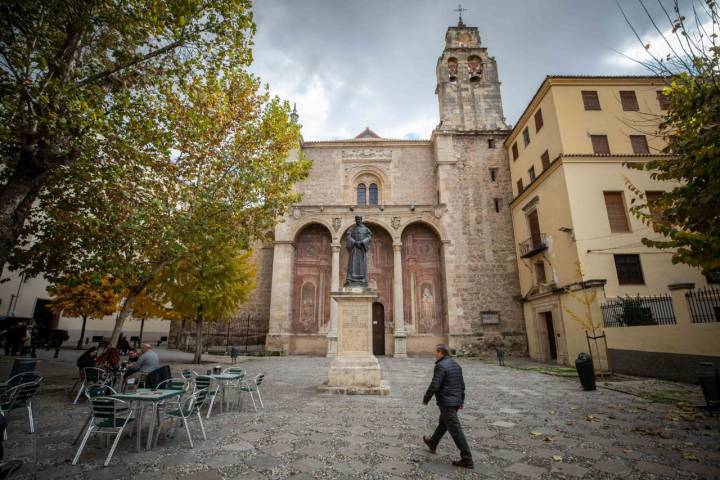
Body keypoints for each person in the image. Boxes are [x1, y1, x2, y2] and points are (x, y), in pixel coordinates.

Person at [422, 344, 473, 469]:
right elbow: (462, 384)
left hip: (447, 402)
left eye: (436, 352)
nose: (435, 354)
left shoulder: (440, 366)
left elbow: (435, 384)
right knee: (443, 423)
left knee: (455, 430)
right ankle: (433, 442)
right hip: (455, 401)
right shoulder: (456, 365)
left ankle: (467, 458)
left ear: (440, 352)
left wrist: (426, 398)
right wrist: (461, 401)